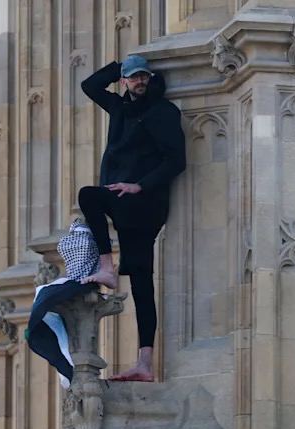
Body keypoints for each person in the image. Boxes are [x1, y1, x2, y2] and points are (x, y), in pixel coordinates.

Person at [78, 54, 186, 382]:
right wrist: (118, 66)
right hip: (125, 205)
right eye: (133, 77)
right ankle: (145, 362)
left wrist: (140, 185)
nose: (139, 82)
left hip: (144, 202)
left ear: (150, 79)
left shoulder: (163, 112)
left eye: (143, 77)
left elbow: (176, 161)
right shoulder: (120, 108)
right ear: (124, 81)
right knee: (141, 282)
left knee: (88, 196)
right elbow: (89, 85)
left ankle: (106, 267)